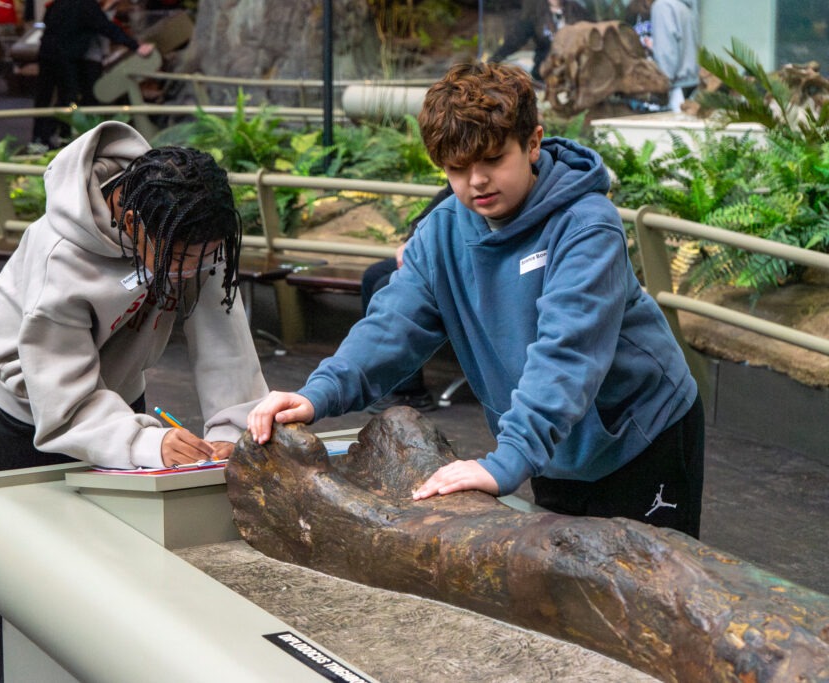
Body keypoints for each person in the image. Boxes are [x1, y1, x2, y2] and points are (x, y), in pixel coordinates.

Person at [248, 62, 704, 540]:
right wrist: (315, 394)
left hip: (643, 436)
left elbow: (567, 353)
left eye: (491, 160)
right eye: (457, 168)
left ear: (532, 144)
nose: (476, 181)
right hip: (555, 446)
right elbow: (391, 326)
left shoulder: (588, 225)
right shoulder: (441, 232)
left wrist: (508, 461)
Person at [0, 120, 268, 680]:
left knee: (119, 576)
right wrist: (145, 441)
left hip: (117, 400)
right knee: (33, 586)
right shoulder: (58, 260)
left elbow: (226, 348)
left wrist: (236, 436)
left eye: (203, 258)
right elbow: (63, 405)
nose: (191, 270)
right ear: (131, 222)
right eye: (180, 259)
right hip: (32, 413)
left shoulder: (189, 229)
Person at [362, 185, 453, 414]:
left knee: (387, 286)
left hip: (458, 261)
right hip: (433, 253)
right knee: (372, 275)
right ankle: (383, 376)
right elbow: (429, 214)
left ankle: (410, 392)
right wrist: (411, 242)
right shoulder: (457, 183)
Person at [32, 0, 154, 146]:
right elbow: (106, 27)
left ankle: (39, 138)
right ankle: (64, 136)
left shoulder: (58, 3)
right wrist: (135, 46)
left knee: (44, 98)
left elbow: (47, 21)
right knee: (68, 98)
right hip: (67, 57)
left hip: (47, 54)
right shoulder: (87, 5)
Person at [488, 0, 589, 82]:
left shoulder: (576, 9)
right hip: (545, 72)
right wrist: (494, 59)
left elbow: (591, 32)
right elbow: (515, 40)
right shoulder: (536, 11)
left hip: (574, 72)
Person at [650, 0, 699, 112]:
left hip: (675, 90)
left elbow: (666, 52)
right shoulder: (686, 6)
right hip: (691, 85)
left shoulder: (662, 6)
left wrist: (661, 84)